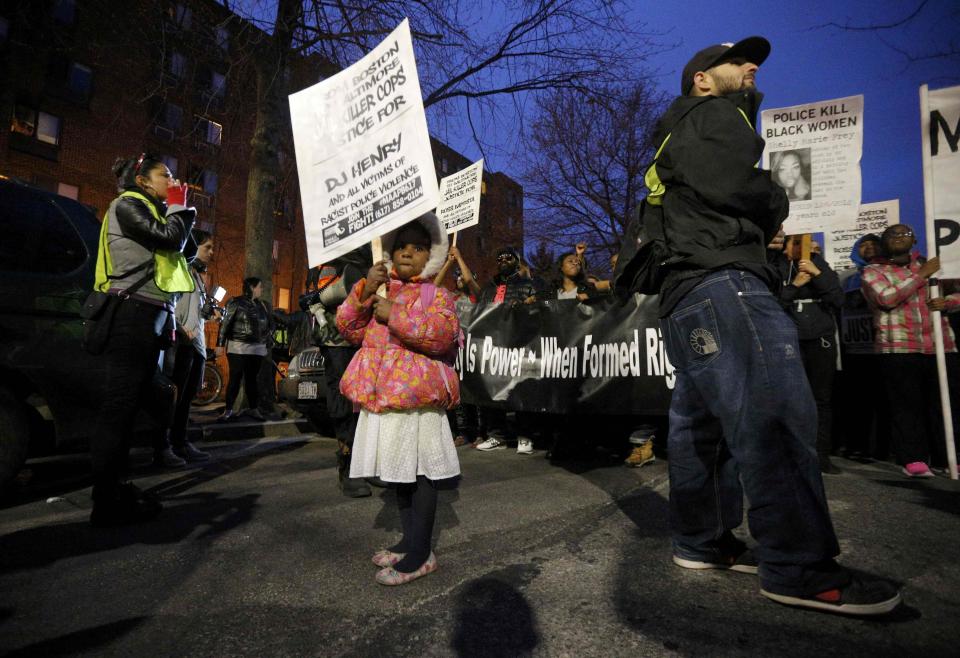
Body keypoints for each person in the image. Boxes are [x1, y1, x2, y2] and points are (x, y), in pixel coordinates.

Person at [621, 36, 901, 615]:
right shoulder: (713, 114)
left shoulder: (673, 135)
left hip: (686, 294)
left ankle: (702, 541)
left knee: (701, 431)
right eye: (739, 62)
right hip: (724, 284)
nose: (752, 68)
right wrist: (772, 202)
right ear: (702, 78)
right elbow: (735, 186)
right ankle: (800, 567)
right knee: (774, 414)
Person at [336, 212, 460, 585]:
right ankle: (410, 540)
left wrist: (397, 315)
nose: (408, 252)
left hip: (416, 401)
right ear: (390, 253)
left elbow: (443, 335)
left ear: (430, 257)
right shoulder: (379, 290)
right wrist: (363, 292)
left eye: (418, 247)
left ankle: (423, 553)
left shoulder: (436, 294)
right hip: (384, 397)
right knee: (400, 475)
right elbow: (347, 328)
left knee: (420, 474)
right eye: (402, 246)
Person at [88, 154, 196, 526]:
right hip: (130, 315)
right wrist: (180, 207)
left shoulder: (156, 209)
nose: (172, 179)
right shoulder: (128, 205)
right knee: (119, 407)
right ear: (143, 180)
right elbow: (169, 238)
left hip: (150, 316)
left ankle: (117, 488)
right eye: (164, 175)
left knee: (134, 405)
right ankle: (105, 501)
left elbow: (188, 249)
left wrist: (179, 208)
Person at [861, 223, 960, 477]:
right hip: (899, 347)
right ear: (884, 242)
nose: (898, 238)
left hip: (940, 346)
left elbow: (957, 293)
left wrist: (946, 302)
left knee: (943, 405)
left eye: (904, 234)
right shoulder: (873, 271)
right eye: (892, 235)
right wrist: (921, 276)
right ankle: (913, 458)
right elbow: (886, 299)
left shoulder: (932, 264)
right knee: (907, 406)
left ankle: (946, 456)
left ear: (914, 239)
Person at [304, 246, 374, 497]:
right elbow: (317, 297)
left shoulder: (370, 253)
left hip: (370, 336)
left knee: (370, 399)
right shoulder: (329, 259)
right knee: (344, 398)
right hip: (337, 339)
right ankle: (348, 463)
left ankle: (367, 462)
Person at [773, 235, 844, 473]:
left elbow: (837, 298)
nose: (800, 247)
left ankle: (821, 456)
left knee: (821, 399)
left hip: (820, 339)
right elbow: (772, 304)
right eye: (795, 242)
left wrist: (817, 273)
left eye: (804, 241)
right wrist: (795, 285)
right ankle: (791, 453)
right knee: (790, 398)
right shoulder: (775, 265)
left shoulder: (818, 263)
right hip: (788, 339)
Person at [475, 246, 541, 454]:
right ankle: (497, 436)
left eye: (509, 257)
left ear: (517, 261)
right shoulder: (488, 288)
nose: (503, 260)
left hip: (520, 344)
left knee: (521, 389)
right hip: (493, 346)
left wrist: (526, 303)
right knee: (492, 391)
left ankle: (525, 436)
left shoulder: (528, 285)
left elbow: (547, 302)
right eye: (500, 257)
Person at [166, 228, 216, 463]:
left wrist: (206, 313)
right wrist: (178, 326)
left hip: (196, 344)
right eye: (207, 247)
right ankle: (168, 445)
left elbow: (196, 312)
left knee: (186, 399)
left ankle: (181, 442)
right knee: (176, 397)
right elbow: (169, 302)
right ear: (192, 246)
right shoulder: (180, 270)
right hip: (182, 342)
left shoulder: (196, 276)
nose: (211, 252)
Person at [217, 276, 271, 421]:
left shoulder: (263, 306)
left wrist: (267, 338)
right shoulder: (235, 302)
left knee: (252, 380)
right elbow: (225, 323)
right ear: (252, 288)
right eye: (259, 286)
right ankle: (228, 410)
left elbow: (269, 325)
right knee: (235, 378)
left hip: (257, 349)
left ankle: (254, 409)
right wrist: (220, 344)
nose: (261, 289)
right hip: (238, 347)